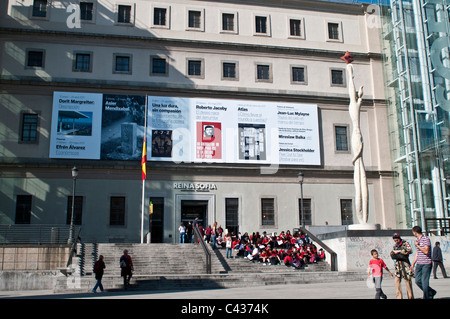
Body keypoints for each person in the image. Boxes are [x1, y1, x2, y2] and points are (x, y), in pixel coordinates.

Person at [411, 226, 436, 299]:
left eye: (413, 232)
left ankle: (426, 297)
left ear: (415, 232)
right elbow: (417, 253)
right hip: (419, 264)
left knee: (424, 282)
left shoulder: (426, 239)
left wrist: (417, 246)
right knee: (417, 281)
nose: (413, 234)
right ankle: (431, 292)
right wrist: (413, 264)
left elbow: (426, 251)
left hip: (426, 264)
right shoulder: (417, 240)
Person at [390, 232, 414, 299]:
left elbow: (409, 250)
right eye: (394, 240)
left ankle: (410, 297)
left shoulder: (405, 243)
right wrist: (394, 253)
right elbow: (392, 253)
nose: (396, 241)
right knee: (397, 282)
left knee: (408, 281)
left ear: (399, 238)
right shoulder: (395, 246)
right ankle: (398, 297)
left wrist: (400, 251)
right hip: (398, 266)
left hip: (405, 264)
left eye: (397, 239)